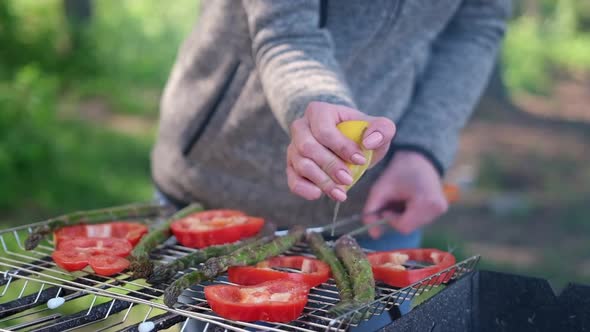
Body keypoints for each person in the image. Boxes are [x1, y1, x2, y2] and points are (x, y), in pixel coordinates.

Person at [152, 0, 509, 328]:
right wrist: (315, 104)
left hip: (375, 206)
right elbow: (286, 29)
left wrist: (422, 148)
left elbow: (478, 23)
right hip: (224, 180)